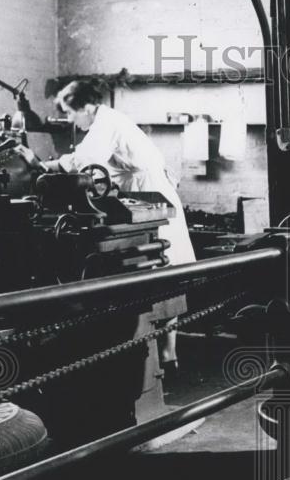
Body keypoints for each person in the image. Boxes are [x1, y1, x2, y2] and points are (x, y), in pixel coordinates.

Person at [21, 79, 195, 374]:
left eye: (71, 113)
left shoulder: (106, 122)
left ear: (86, 107)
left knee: (161, 270)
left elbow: (86, 160)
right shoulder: (110, 120)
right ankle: (166, 354)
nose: (70, 120)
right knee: (163, 272)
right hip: (146, 192)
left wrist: (41, 164)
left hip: (147, 194)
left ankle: (164, 355)